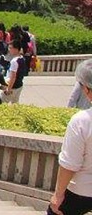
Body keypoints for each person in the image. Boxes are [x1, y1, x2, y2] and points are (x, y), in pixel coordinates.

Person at [51, 58, 92, 215]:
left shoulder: (82, 121)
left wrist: (58, 194)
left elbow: (69, 164)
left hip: (82, 190)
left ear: (87, 89)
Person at [2, 39, 28, 105]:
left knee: (2, 103)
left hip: (13, 87)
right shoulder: (22, 58)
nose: (9, 50)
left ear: (16, 49)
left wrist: (8, 89)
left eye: (11, 48)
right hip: (19, 85)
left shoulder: (14, 61)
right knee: (15, 104)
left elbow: (13, 76)